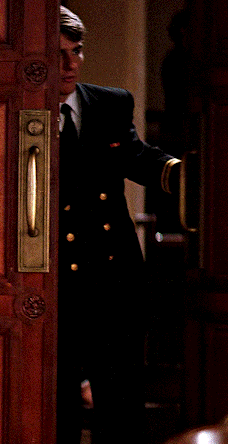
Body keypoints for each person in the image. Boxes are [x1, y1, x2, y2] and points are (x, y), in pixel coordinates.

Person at [57, 6, 181, 443]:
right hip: (52, 281)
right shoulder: (15, 108)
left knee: (121, 405)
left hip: (113, 277)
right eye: (57, 54)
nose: (70, 64)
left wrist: (186, 175)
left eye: (76, 51)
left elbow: (136, 156)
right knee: (55, 406)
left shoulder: (109, 103)